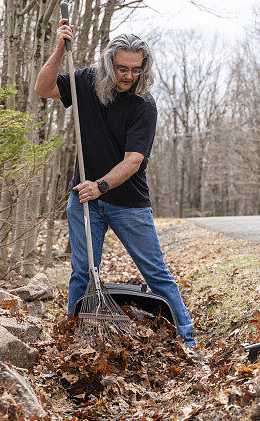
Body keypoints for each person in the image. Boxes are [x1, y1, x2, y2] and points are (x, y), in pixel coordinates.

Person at [34, 18, 197, 348]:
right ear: (109, 63)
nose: (128, 76)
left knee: (156, 273)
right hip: (85, 200)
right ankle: (73, 338)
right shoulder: (84, 82)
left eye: (136, 69)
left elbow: (133, 160)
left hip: (128, 203)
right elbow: (43, 88)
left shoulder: (143, 104)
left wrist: (101, 186)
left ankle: (188, 339)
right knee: (83, 273)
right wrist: (58, 50)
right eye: (122, 68)